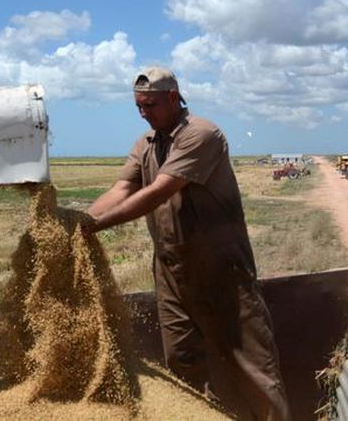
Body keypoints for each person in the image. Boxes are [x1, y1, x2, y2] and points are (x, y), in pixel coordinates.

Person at [83, 67, 291, 421]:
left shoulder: (201, 135)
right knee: (182, 360)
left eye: (149, 105)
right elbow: (121, 190)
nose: (143, 113)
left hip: (222, 271)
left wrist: (98, 225)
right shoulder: (145, 143)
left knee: (254, 368)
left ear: (173, 97)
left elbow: (159, 190)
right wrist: (81, 223)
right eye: (138, 106)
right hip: (170, 272)